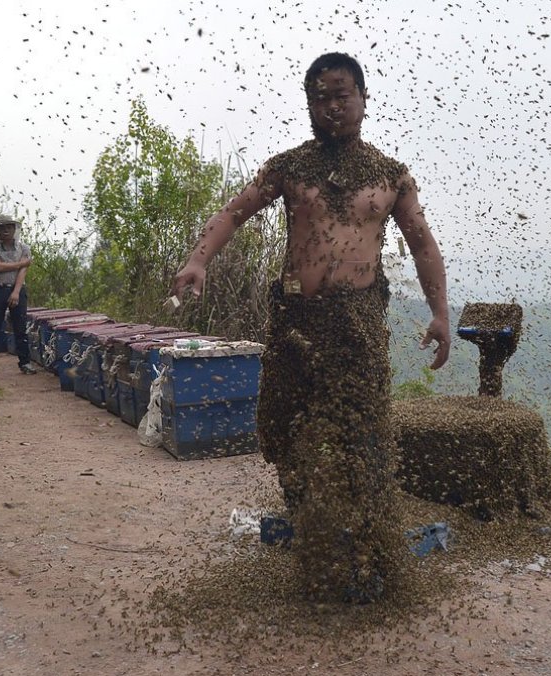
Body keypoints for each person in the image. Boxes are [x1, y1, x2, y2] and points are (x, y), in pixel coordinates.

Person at [171, 53, 450, 602]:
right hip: (296, 320)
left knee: (362, 435)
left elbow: (421, 241)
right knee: (287, 426)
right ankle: (310, 527)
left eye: (342, 94)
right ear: (309, 105)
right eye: (320, 97)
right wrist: (198, 260)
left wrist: (440, 314)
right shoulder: (291, 167)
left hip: (359, 325)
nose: (332, 106)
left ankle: (369, 546)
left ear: (364, 99)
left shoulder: (391, 176)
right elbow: (233, 212)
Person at [0, 214, 37, 376]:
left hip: (18, 289)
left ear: (14, 229)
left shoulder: (24, 248)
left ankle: (25, 363)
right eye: (2, 227)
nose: (5, 230)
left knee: (20, 328)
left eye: (9, 227)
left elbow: (22, 272)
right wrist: (21, 263)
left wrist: (16, 292)